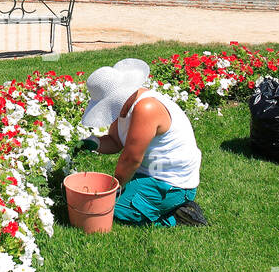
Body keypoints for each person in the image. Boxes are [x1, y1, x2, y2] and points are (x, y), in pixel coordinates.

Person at [80, 57, 207, 226]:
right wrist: (94, 142)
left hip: (171, 182)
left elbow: (131, 159)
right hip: (150, 172)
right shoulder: (125, 105)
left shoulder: (146, 108)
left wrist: (112, 190)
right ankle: (155, 203)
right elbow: (115, 141)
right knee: (105, 204)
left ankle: (176, 214)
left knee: (112, 210)